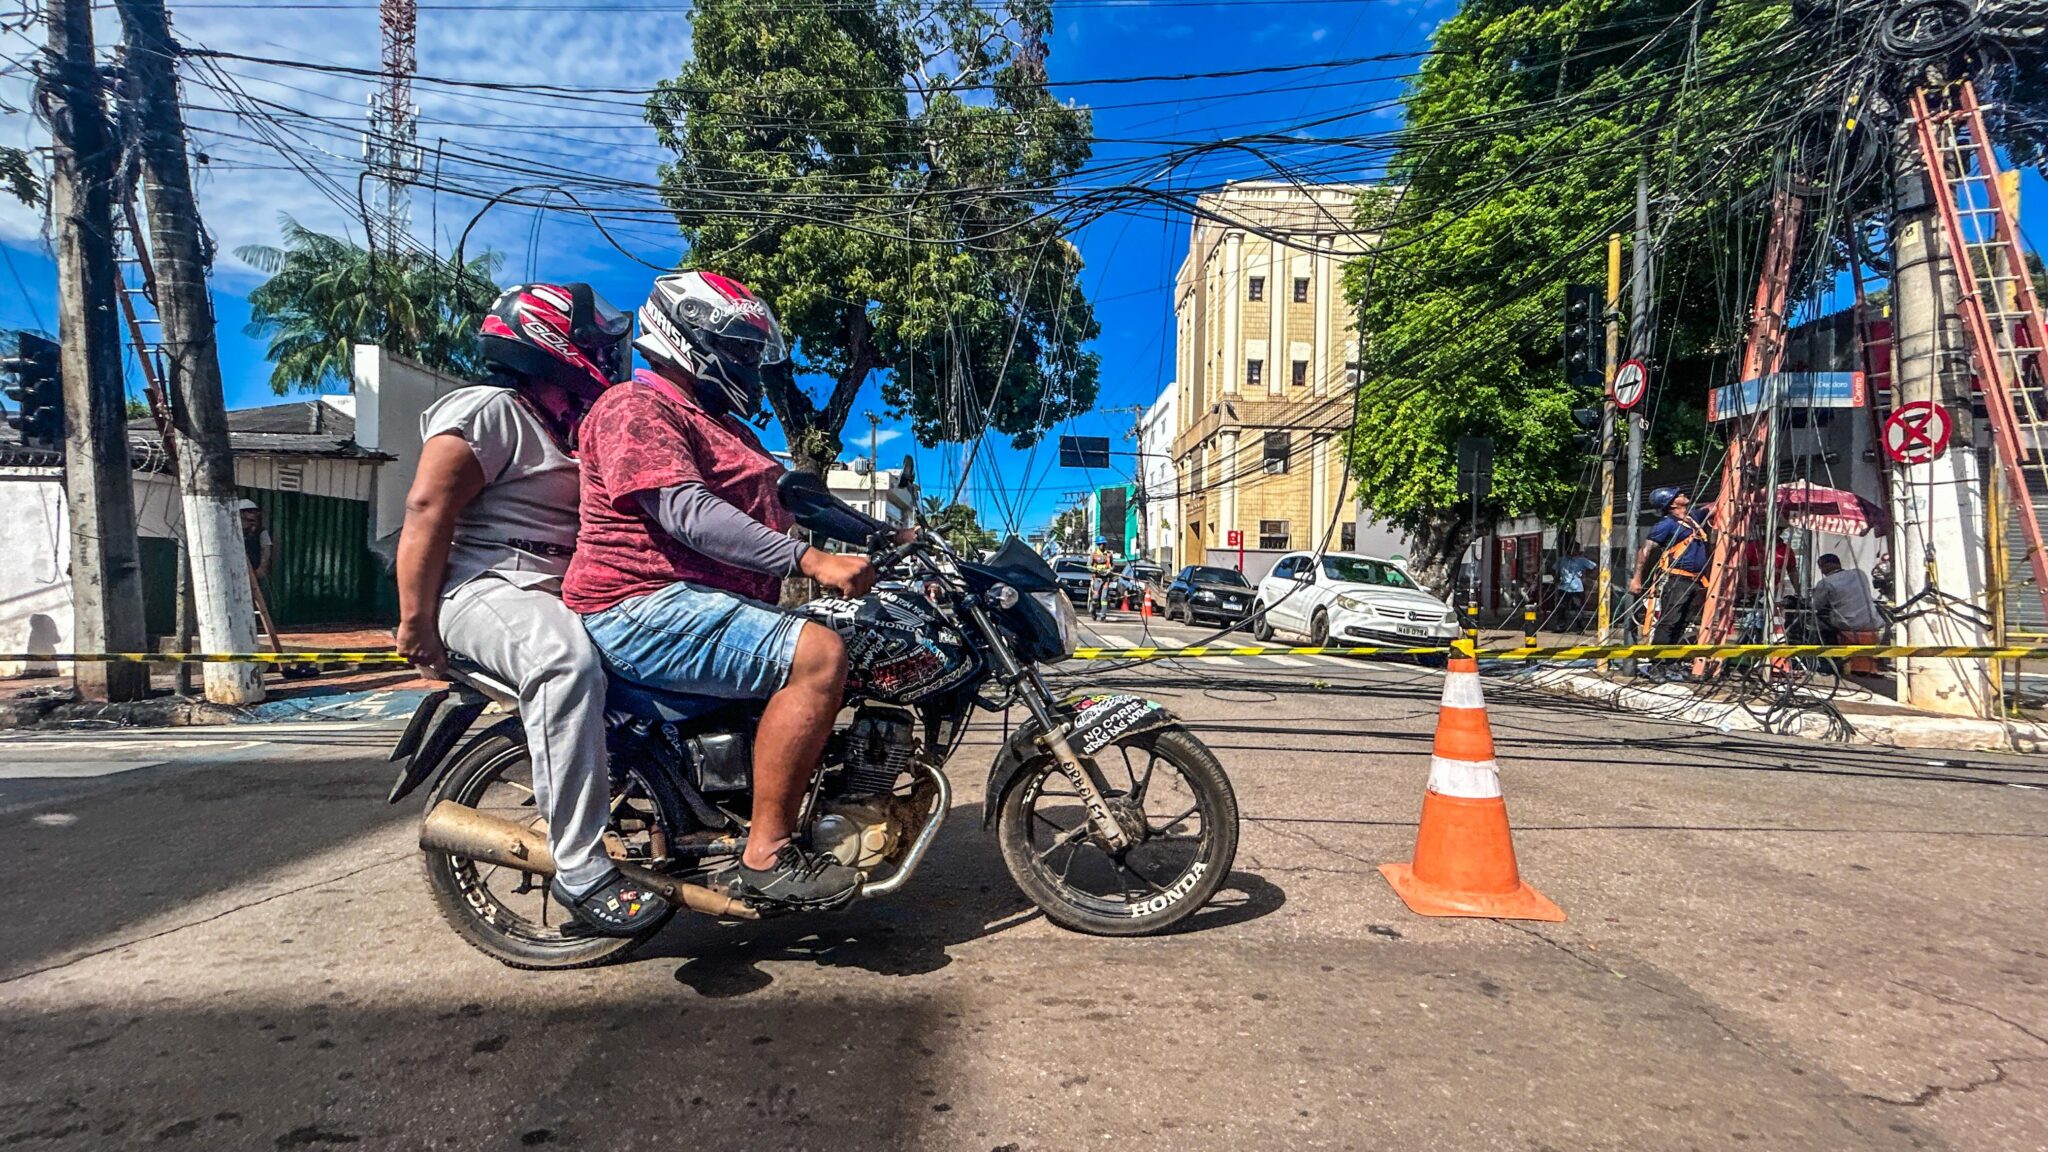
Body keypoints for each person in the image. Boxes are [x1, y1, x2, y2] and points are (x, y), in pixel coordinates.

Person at [565, 270, 875, 909]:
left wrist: (886, 533)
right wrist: (809, 561)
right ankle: (767, 852)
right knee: (818, 654)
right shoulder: (636, 407)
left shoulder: (722, 425)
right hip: (639, 603)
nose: (746, 363)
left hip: (697, 604)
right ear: (686, 337)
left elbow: (797, 500)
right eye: (735, 348)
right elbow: (686, 512)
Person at [394, 282, 662, 938]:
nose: (606, 356)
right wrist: (416, 620)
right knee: (562, 664)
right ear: (551, 344)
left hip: (554, 595)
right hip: (485, 588)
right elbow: (428, 510)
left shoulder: (566, 427)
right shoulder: (490, 411)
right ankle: (579, 868)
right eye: (595, 345)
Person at [1629, 487, 1711, 667]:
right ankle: (1657, 664)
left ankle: (1671, 663)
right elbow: (1645, 550)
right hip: (1677, 580)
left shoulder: (1692, 520)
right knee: (1669, 622)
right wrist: (1637, 578)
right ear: (1672, 503)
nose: (1683, 495)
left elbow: (1712, 507)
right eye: (1678, 495)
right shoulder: (1667, 524)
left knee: (1683, 623)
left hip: (1695, 580)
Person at [1810, 553, 1885, 643]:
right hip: (1872, 622)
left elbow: (1816, 606)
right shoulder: (1859, 573)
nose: (1822, 571)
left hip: (1848, 624)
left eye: (1821, 567)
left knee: (1814, 622)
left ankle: (1827, 648)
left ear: (1826, 566)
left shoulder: (1825, 583)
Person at [1555, 545, 1597, 626]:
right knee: (1561, 607)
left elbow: (1594, 567)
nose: (1570, 551)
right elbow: (1554, 569)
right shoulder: (1562, 560)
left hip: (1576, 588)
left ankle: (1580, 626)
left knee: (1578, 607)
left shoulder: (1581, 560)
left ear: (1577, 550)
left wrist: (1587, 577)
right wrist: (1557, 578)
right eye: (1569, 549)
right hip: (1564, 587)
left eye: (1573, 549)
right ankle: (1561, 626)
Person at [239, 499, 273, 584]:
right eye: (250, 511)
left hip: (254, 571)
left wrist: (261, 568)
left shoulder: (261, 531)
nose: (253, 514)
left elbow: (266, 551)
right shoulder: (234, 531)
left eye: (254, 511)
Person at [1088, 536, 1117, 620]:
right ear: (1098, 545)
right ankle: (1093, 611)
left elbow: (1113, 565)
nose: (1103, 546)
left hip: (1106, 579)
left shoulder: (1109, 554)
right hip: (1097, 579)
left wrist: (1110, 570)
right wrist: (1094, 569)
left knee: (1104, 597)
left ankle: (1103, 616)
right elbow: (1088, 565)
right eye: (1101, 544)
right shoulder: (1093, 555)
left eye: (1104, 544)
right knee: (1095, 598)